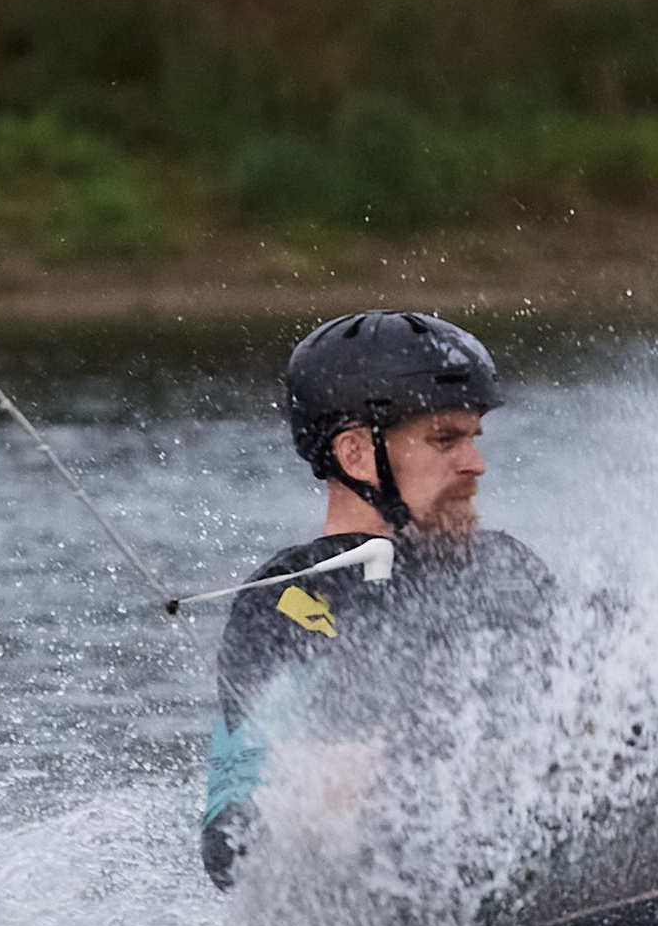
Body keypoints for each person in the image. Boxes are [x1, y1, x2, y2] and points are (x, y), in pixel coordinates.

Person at [201, 309, 556, 891]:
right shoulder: (286, 601)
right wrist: (315, 795)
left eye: (473, 438)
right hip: (399, 894)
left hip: (546, 855)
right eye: (445, 440)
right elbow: (227, 846)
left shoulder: (509, 568)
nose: (475, 464)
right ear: (356, 455)